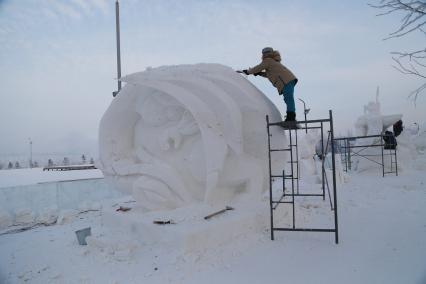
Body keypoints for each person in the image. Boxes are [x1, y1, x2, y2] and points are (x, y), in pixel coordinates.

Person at [242, 47, 298, 122]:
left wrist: (248, 72)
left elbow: (259, 67)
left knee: (288, 99)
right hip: (288, 80)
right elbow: (270, 74)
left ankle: (291, 118)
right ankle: (291, 117)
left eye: (263, 53)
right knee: (288, 99)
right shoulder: (272, 62)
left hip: (286, 81)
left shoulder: (268, 60)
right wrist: (260, 73)